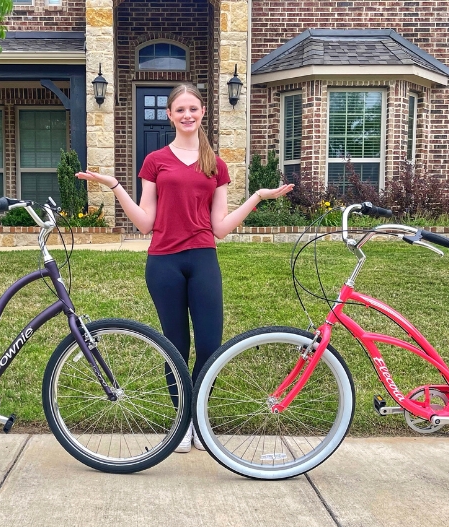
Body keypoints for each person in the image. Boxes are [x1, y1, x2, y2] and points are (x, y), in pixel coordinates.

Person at [76, 83, 293, 452]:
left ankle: (199, 418)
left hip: (203, 259)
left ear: (203, 111)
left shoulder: (216, 164)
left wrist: (256, 197)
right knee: (175, 347)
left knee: (210, 346)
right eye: (180, 110)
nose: (187, 115)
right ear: (170, 115)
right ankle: (183, 425)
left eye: (193, 108)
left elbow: (220, 228)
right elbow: (145, 223)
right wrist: (115, 186)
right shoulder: (155, 161)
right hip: (163, 263)